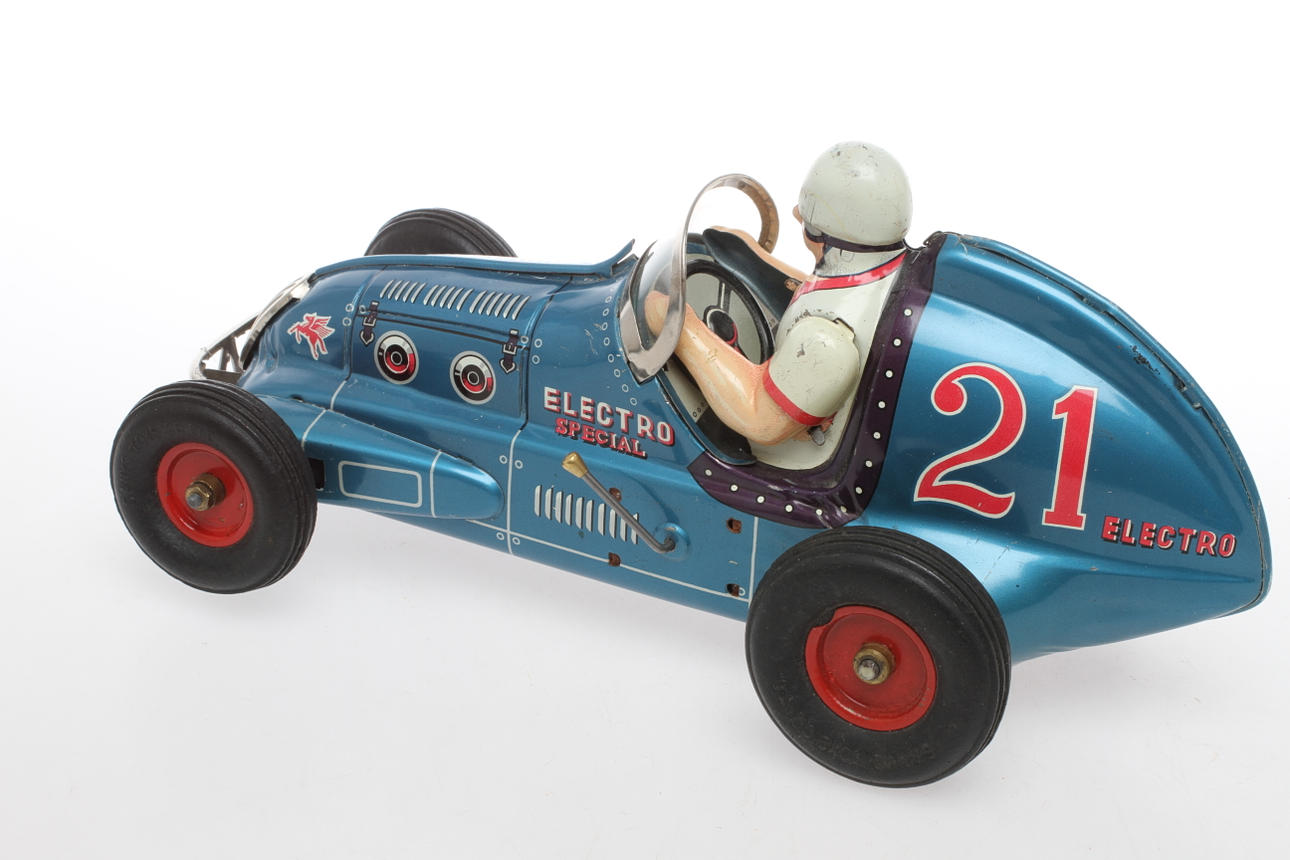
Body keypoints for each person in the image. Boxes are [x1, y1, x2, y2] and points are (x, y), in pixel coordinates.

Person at [650, 142, 913, 470]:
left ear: (815, 226)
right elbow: (824, 289)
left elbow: (759, 419)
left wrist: (681, 325)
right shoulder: (885, 275)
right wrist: (753, 257)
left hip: (796, 462)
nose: (796, 214)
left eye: (805, 210)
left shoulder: (824, 341)